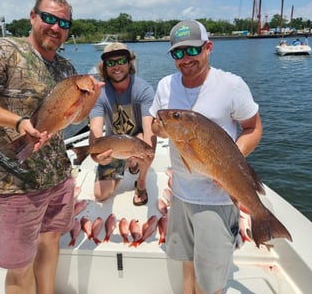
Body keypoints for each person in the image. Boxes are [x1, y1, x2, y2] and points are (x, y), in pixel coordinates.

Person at [0, 0, 102, 294]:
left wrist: (91, 101)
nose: (55, 27)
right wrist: (18, 122)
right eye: (49, 18)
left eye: (63, 23)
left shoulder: (65, 68)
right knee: (20, 266)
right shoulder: (3, 50)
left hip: (58, 177)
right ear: (32, 16)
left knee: (50, 244)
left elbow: (74, 121)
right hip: (15, 182)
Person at [150, 20, 263, 294]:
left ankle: (263, 218)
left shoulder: (231, 85)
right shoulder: (166, 85)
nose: (185, 59)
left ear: (208, 48)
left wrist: (227, 165)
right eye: (177, 53)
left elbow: (253, 127)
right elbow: (157, 124)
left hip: (217, 200)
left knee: (210, 280)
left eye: (192, 50)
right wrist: (162, 128)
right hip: (180, 194)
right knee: (186, 265)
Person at [88, 42, 156, 205]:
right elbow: (96, 128)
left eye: (121, 61)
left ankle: (140, 180)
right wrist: (96, 155)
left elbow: (149, 128)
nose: (116, 66)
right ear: (105, 67)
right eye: (110, 63)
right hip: (114, 146)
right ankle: (129, 162)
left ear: (129, 62)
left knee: (146, 144)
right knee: (100, 194)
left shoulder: (143, 89)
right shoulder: (99, 94)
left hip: (137, 140)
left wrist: (148, 152)